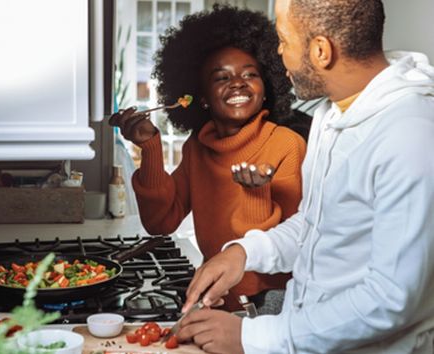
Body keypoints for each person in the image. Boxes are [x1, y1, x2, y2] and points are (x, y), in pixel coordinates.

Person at [178, 0, 434, 353]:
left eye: (284, 40)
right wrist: (243, 252)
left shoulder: (411, 135)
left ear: (320, 51)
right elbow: (318, 225)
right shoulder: (333, 114)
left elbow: (391, 298)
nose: (279, 54)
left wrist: (251, 337)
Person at [109, 5, 309, 312]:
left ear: (266, 88)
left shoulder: (287, 145)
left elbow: (292, 245)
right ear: (200, 96)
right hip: (215, 299)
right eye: (221, 77)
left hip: (271, 306)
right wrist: (150, 148)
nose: (238, 82)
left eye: (250, 74)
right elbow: (160, 222)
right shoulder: (198, 148)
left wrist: (256, 194)